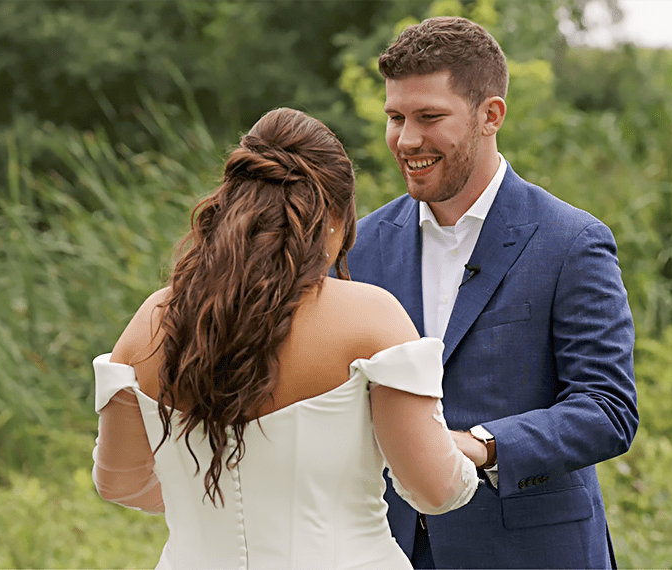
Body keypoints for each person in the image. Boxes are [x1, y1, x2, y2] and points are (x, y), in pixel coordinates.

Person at [91, 107, 479, 569]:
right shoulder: (370, 316)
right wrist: (474, 450)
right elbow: (434, 489)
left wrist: (204, 502)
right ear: (335, 216)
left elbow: (118, 481)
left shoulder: (152, 320)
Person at [345, 17, 639, 570]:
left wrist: (482, 445)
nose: (407, 140)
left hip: (532, 552)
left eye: (430, 117)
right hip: (391, 551)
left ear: (490, 115)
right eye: (396, 117)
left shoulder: (572, 242)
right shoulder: (359, 249)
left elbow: (607, 408)